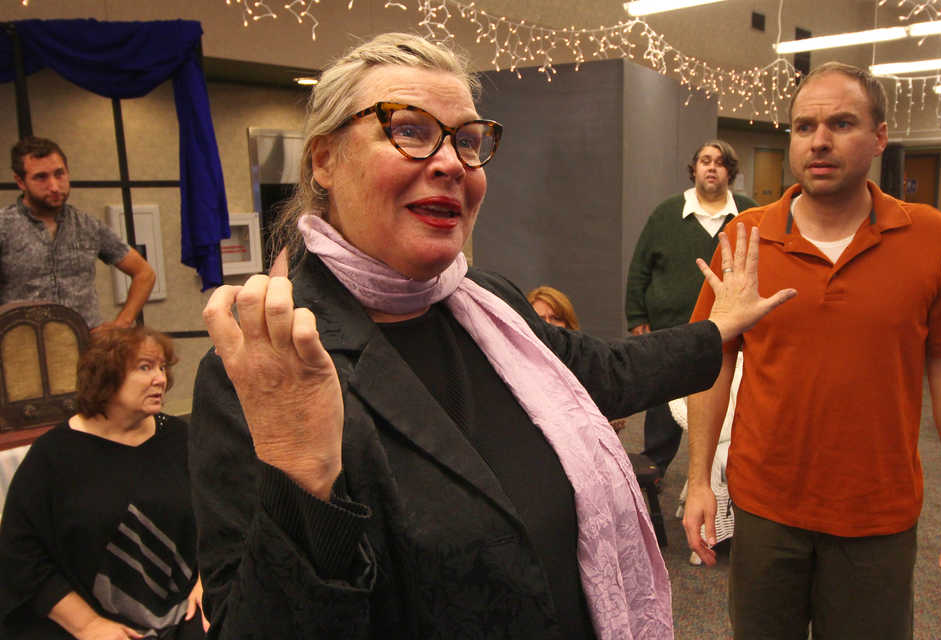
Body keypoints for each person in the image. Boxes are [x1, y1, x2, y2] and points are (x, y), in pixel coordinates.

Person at [189, 33, 794, 640]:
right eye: (410, 130)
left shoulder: (486, 303)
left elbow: (603, 371)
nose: (452, 162)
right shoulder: (269, 365)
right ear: (324, 160)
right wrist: (301, 478)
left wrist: (716, 329)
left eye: (469, 141)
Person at [685, 62, 941, 640]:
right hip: (766, 506)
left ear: (879, 137)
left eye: (842, 123)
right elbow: (713, 360)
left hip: (877, 512)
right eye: (804, 127)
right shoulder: (746, 237)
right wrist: (699, 480)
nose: (819, 141)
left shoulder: (926, 235)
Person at [0, 326, 208, 639]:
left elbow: (220, 519)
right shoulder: (54, 456)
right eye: (145, 367)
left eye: (162, 367)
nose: (160, 379)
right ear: (104, 377)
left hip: (187, 611)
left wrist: (207, 583)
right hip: (84, 624)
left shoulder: (180, 438)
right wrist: (87, 625)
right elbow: (20, 555)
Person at [625, 140, 757, 476]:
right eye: (705, 161)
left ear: (730, 172)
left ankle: (725, 474)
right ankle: (654, 468)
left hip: (729, 334)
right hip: (669, 329)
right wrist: (637, 316)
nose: (712, 167)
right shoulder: (666, 213)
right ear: (694, 168)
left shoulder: (749, 214)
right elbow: (640, 266)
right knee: (662, 408)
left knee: (726, 407)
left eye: (720, 162)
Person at [0, 136, 156, 331]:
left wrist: (121, 324)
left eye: (59, 174)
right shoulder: (4, 227)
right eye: (41, 177)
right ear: (20, 181)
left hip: (84, 346)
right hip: (20, 348)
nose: (54, 186)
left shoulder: (87, 225)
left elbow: (144, 273)